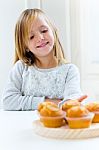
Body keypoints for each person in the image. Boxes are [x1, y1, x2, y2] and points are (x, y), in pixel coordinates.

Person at [2, 8, 84, 111]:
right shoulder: (21, 68)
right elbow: (8, 101)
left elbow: (72, 99)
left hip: (55, 126)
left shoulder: (70, 70)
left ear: (53, 32)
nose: (40, 37)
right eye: (31, 37)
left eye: (44, 31)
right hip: (24, 125)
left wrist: (70, 103)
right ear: (25, 46)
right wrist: (47, 102)